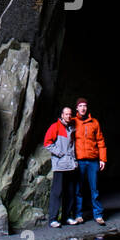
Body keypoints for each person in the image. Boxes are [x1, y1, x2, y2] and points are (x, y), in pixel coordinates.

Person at [43, 106, 81, 227]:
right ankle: (53, 219)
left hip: (70, 165)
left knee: (70, 192)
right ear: (62, 115)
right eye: (66, 114)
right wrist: (60, 153)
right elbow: (47, 143)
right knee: (57, 192)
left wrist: (74, 161)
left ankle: (67, 217)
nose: (68, 116)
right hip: (60, 165)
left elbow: (72, 147)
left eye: (70, 114)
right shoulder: (55, 127)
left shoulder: (71, 128)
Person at [73, 97, 107, 225]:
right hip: (79, 161)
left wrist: (102, 159)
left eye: (84, 106)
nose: (83, 108)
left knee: (95, 188)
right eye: (80, 105)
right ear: (77, 108)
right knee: (79, 189)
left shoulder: (94, 122)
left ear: (87, 108)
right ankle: (78, 215)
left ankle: (98, 215)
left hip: (93, 160)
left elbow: (100, 141)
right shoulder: (73, 121)